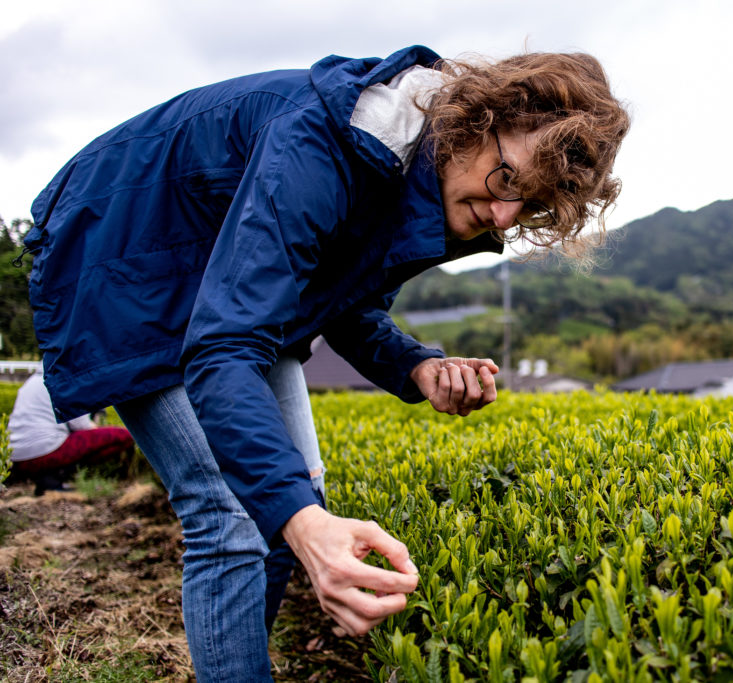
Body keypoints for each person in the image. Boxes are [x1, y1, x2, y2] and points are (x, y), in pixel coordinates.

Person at [23, 45, 629, 680]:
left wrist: (417, 365)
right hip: (126, 256)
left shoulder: (434, 184)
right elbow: (226, 342)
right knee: (229, 510)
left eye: (528, 207)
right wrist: (302, 521)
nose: (503, 216)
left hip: (225, 291)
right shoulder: (326, 141)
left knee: (292, 494)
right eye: (507, 180)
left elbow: (347, 305)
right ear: (475, 121)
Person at [7, 372, 136, 495]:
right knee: (123, 436)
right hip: (46, 455)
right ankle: (57, 476)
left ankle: (47, 476)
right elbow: (81, 425)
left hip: (17, 457)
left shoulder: (32, 382)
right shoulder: (66, 382)